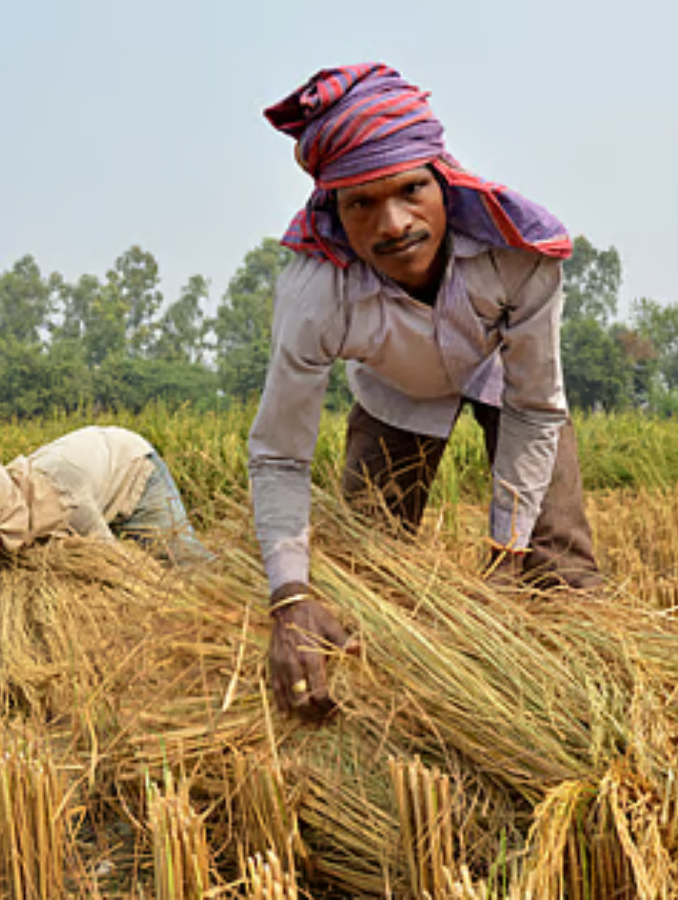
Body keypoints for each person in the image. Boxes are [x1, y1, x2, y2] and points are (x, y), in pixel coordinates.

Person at [250, 63, 603, 720]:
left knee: (560, 569)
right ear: (334, 212)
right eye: (361, 204)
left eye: (412, 190)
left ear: (444, 182)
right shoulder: (315, 292)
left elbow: (533, 407)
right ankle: (388, 720)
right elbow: (279, 454)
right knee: (366, 573)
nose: (393, 224)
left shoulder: (516, 255)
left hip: (503, 384)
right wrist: (289, 596)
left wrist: (506, 557)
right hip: (395, 393)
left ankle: (582, 714)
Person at [0, 425, 210, 696]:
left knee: (185, 563)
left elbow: (113, 566)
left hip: (132, 470)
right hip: (93, 479)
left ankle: (225, 618)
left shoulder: (66, 497)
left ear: (1, 519)